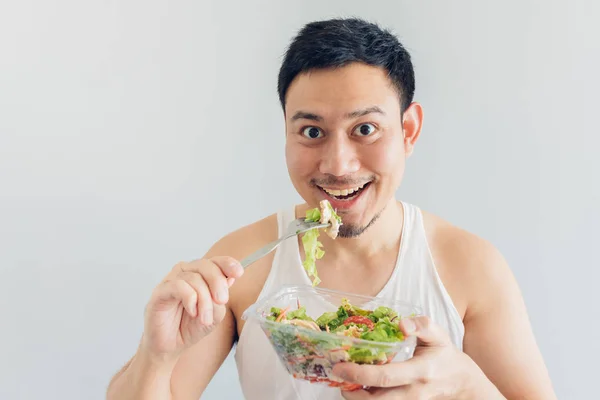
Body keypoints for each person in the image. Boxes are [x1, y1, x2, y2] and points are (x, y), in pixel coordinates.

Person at [106, 18, 556, 400]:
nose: (338, 166)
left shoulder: (470, 266)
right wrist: (155, 355)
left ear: (409, 131)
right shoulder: (245, 265)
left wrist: (469, 387)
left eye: (365, 128)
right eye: (312, 132)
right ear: (285, 132)